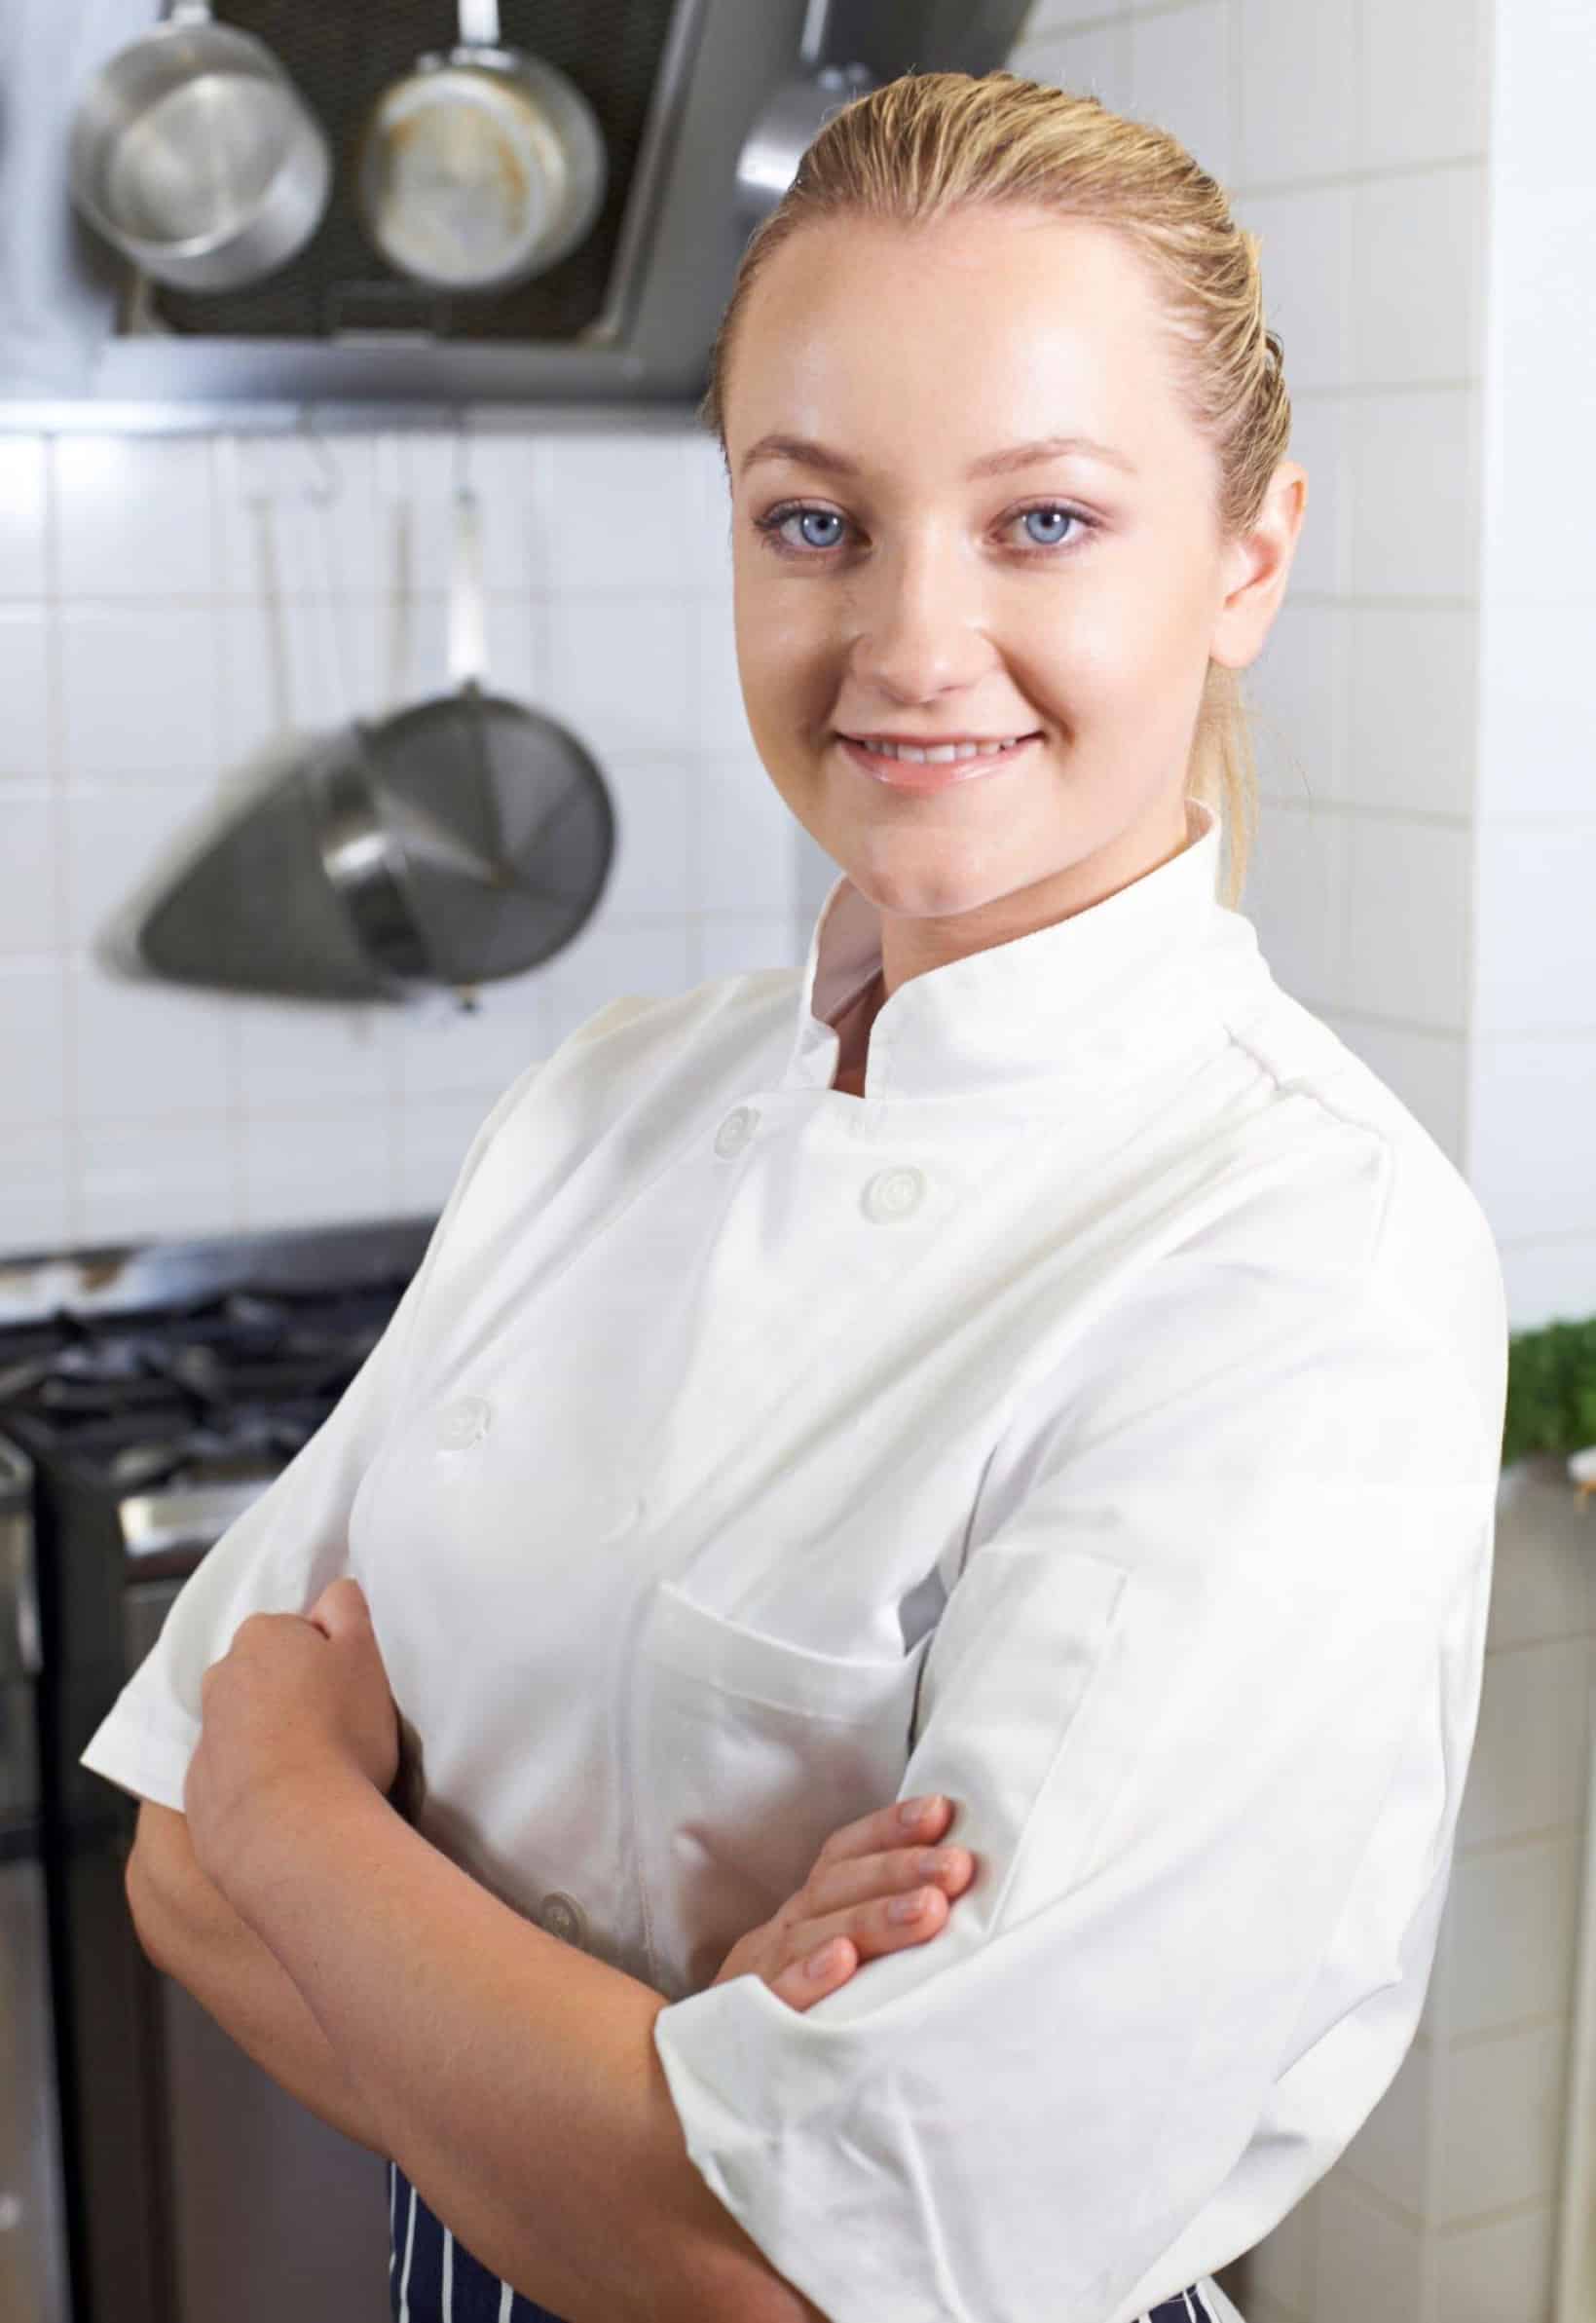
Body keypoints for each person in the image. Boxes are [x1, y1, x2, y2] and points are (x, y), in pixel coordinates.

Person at [79, 66, 1508, 2323]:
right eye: (815, 519)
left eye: (1044, 519)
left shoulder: (1300, 1259)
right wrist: (654, 2083)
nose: (911, 643)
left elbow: (792, 2274)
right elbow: (169, 1872)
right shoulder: (607, 1100)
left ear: (1247, 555)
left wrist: (305, 1816)